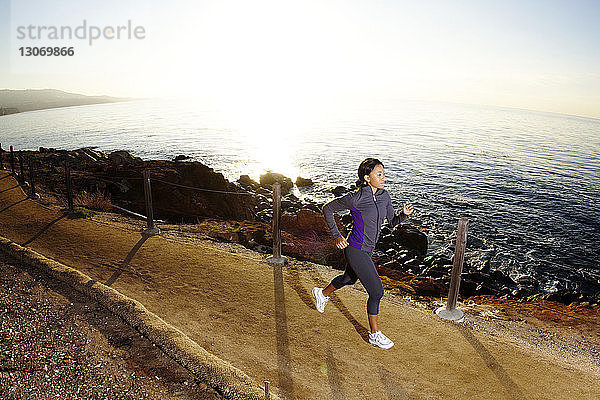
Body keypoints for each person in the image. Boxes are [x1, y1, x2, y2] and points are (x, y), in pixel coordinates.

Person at [313, 158, 414, 349]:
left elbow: (392, 222)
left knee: (348, 279)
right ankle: (374, 334)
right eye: (379, 174)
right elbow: (327, 209)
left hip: (368, 250)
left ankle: (322, 293)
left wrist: (403, 215)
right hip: (355, 249)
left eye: (383, 173)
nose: (383, 177)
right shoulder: (355, 198)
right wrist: (337, 236)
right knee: (377, 291)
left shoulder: (385, 197)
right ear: (367, 178)